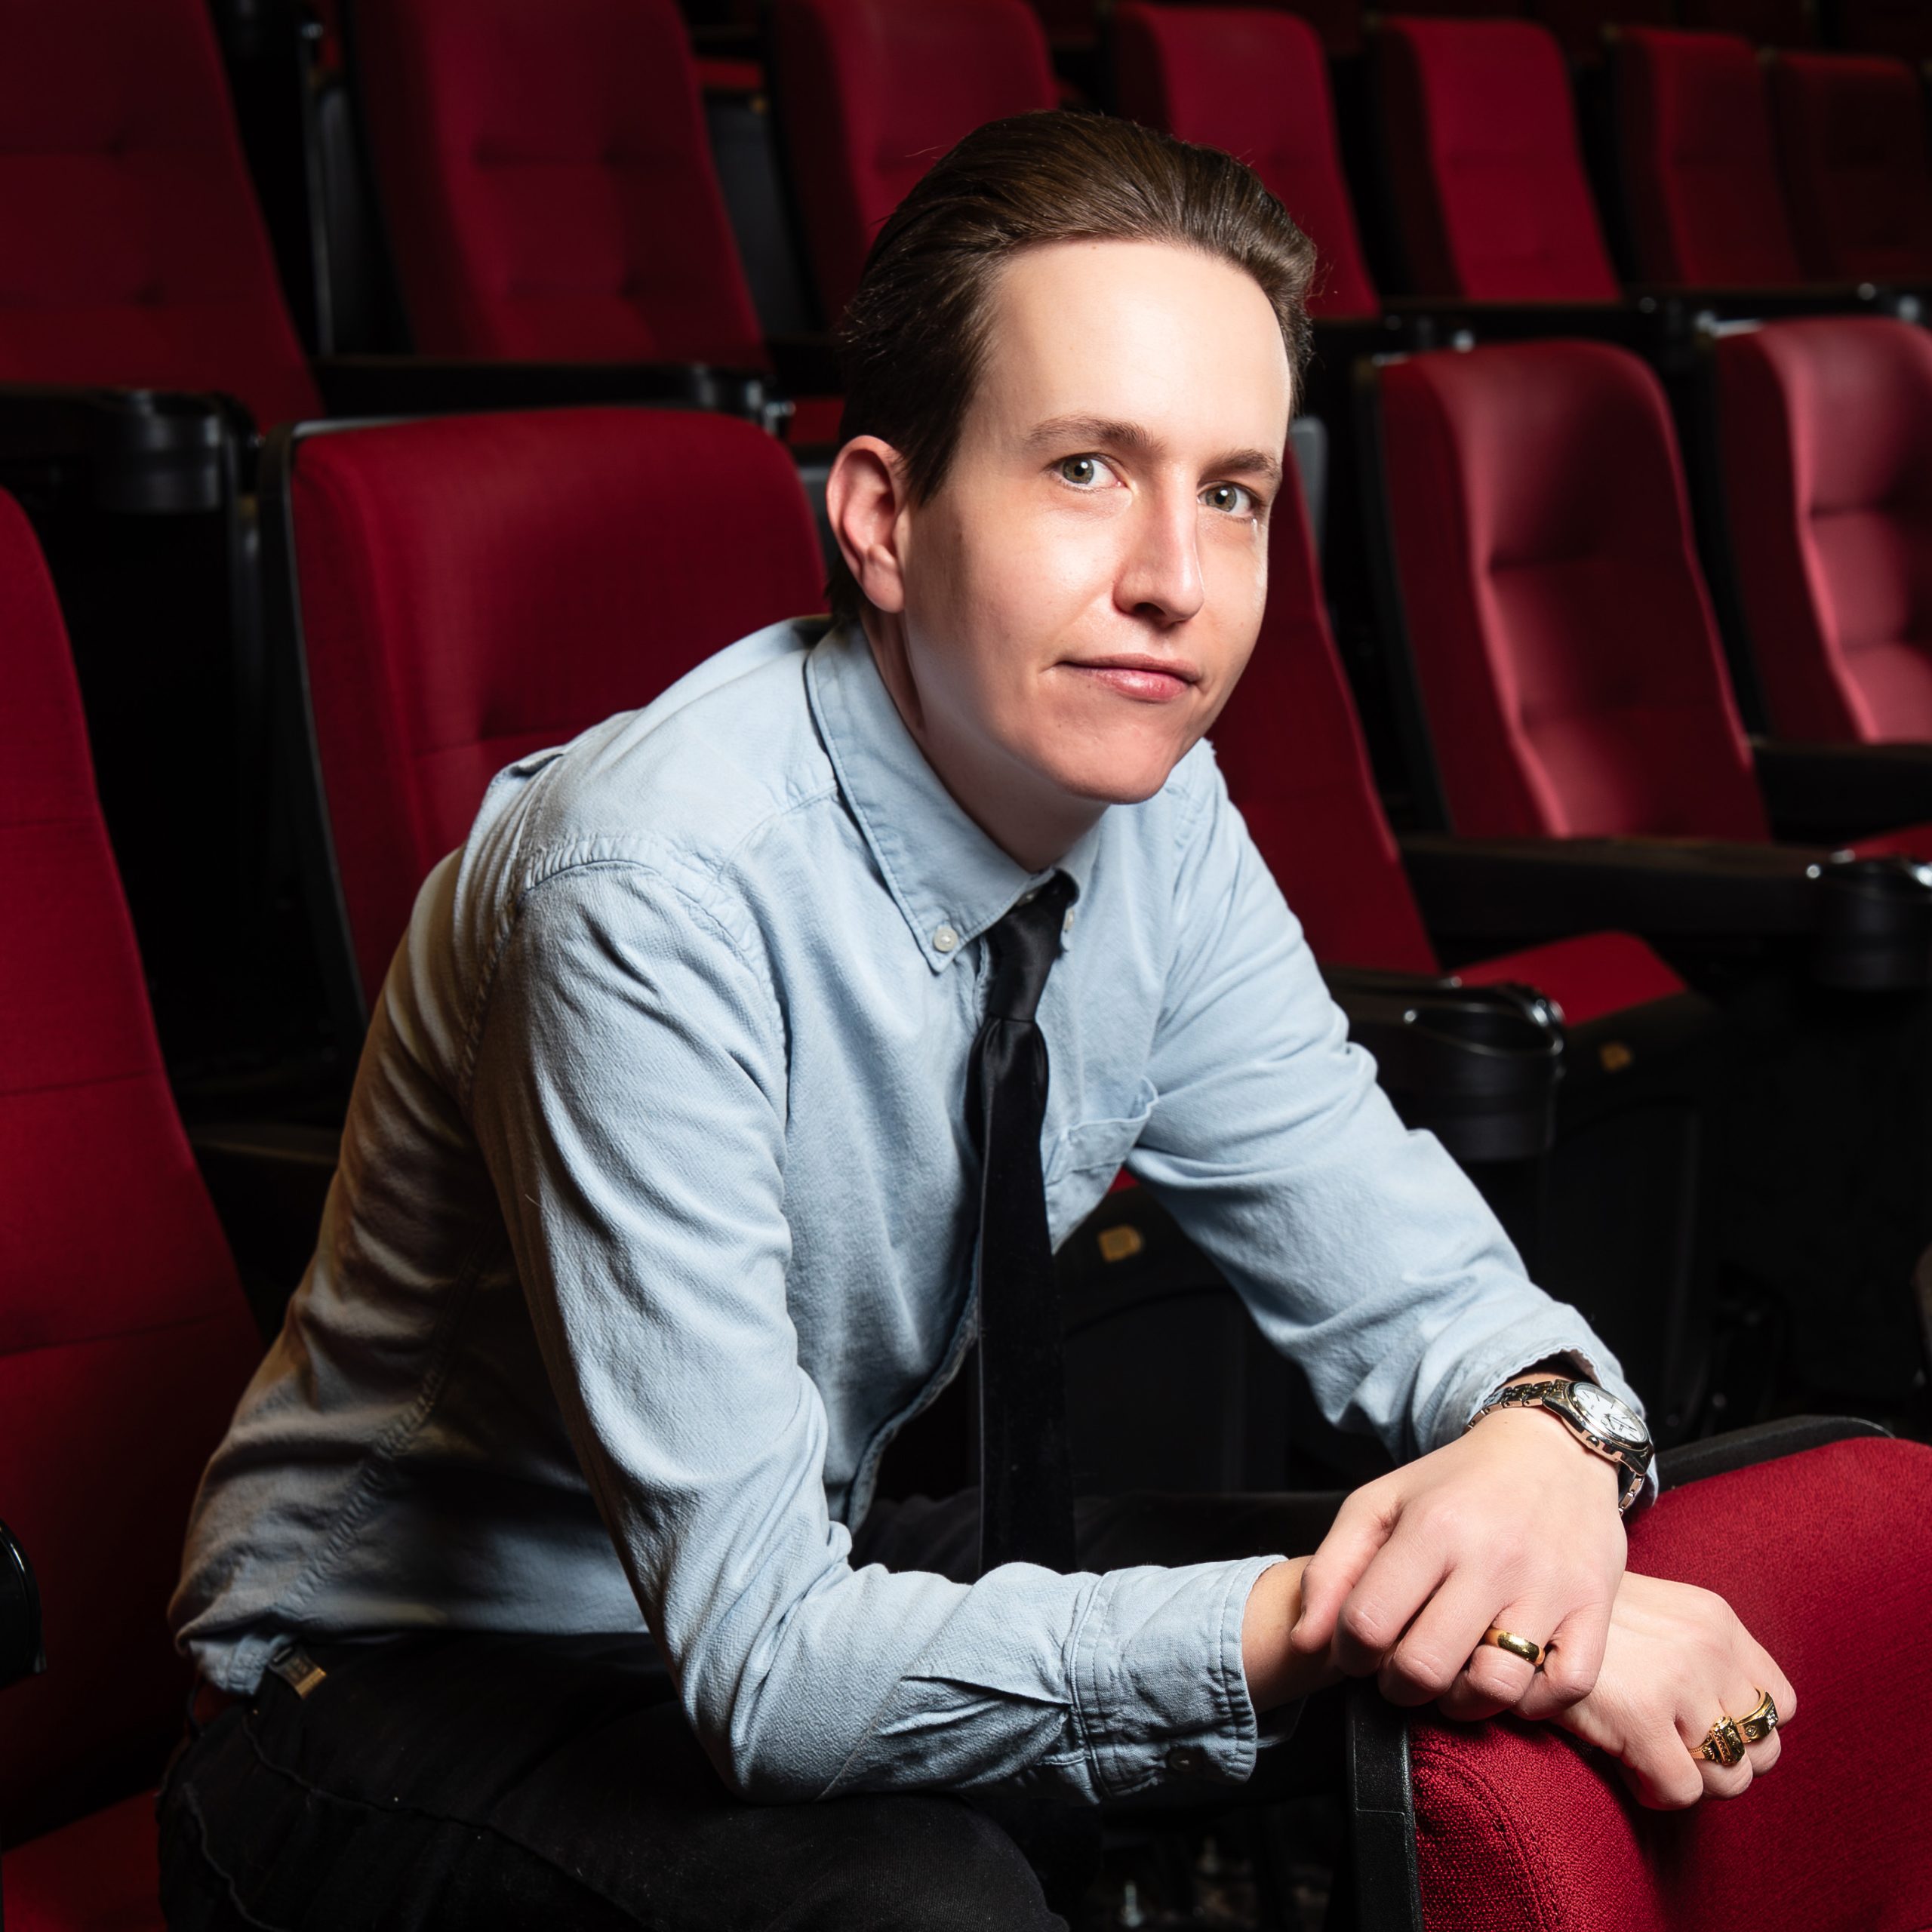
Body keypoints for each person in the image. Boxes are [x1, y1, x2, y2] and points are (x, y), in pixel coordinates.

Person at [159, 112, 1790, 1932]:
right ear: (879, 515)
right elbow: (771, 1669)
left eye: (1230, 490)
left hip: (820, 1570)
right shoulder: (644, 890)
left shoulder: (1155, 807)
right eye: (1087, 467)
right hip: (391, 1697)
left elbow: (1421, 1289)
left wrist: (1545, 1446)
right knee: (944, 1894)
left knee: (1559, 1597)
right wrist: (1399, 1618)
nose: (1172, 576)